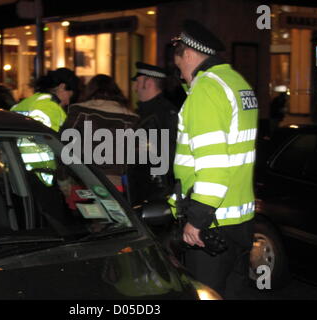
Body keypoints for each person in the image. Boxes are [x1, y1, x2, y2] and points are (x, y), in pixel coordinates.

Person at [169, 19, 258, 297]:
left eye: (178, 60)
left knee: (205, 292)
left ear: (190, 54)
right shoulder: (236, 82)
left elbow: (214, 163)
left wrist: (197, 218)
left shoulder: (206, 90)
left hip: (212, 225)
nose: (178, 70)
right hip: (240, 220)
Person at [61, 74, 139, 190]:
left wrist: (63, 180)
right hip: (115, 184)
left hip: (83, 181)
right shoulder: (131, 118)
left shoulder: (79, 112)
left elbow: (63, 146)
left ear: (89, 91)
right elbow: (136, 155)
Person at [129, 62, 178, 204]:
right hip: (143, 190)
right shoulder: (145, 112)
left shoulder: (163, 115)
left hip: (155, 195)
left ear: (149, 83)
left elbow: (167, 158)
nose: (135, 88)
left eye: (138, 82)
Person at [11, 68, 79, 132]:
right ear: (62, 87)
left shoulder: (27, 102)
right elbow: (53, 141)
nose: (68, 102)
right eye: (69, 96)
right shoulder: (50, 107)